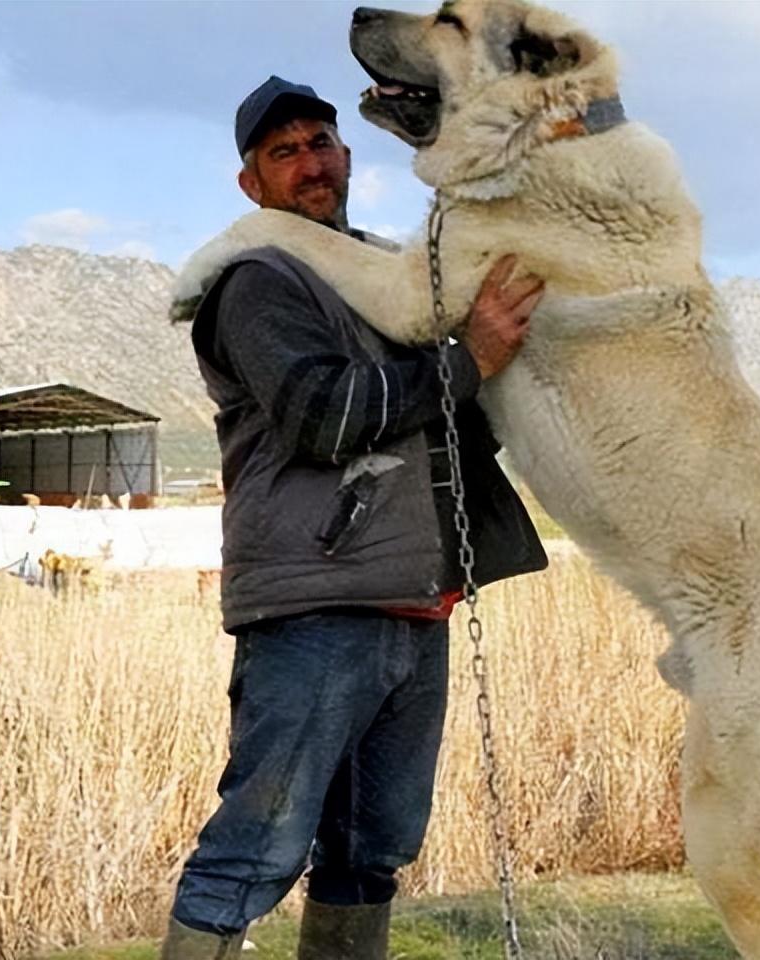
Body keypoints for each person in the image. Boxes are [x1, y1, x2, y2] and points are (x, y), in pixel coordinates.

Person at [161, 76, 549, 960]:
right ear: (251, 185)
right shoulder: (258, 281)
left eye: (321, 143)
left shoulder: (383, 272)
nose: (311, 164)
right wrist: (468, 358)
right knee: (253, 853)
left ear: (347, 155)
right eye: (283, 152)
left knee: (370, 855)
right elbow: (321, 414)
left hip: (417, 606)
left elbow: (462, 417)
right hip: (315, 610)